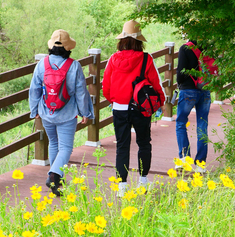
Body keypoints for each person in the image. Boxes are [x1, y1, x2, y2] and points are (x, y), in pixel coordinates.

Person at [102, 20, 165, 197]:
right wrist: (158, 103)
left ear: (122, 40)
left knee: (122, 146)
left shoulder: (113, 59)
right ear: (139, 41)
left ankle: (122, 187)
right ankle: (143, 182)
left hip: (120, 109)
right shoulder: (146, 59)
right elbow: (156, 84)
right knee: (143, 143)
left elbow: (105, 86)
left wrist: (115, 100)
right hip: (140, 109)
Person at [29, 29, 94, 197]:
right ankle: (54, 176)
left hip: (47, 112)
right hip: (67, 113)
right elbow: (81, 92)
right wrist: (85, 112)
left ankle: (56, 180)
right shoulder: (74, 65)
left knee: (54, 144)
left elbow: (34, 89)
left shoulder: (42, 64)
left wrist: (34, 109)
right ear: (68, 48)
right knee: (65, 147)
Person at [175, 39, 216, 173]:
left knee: (181, 122)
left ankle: (184, 159)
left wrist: (181, 83)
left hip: (188, 91)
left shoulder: (185, 49)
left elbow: (180, 73)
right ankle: (200, 165)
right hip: (205, 90)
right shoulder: (208, 49)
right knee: (202, 126)